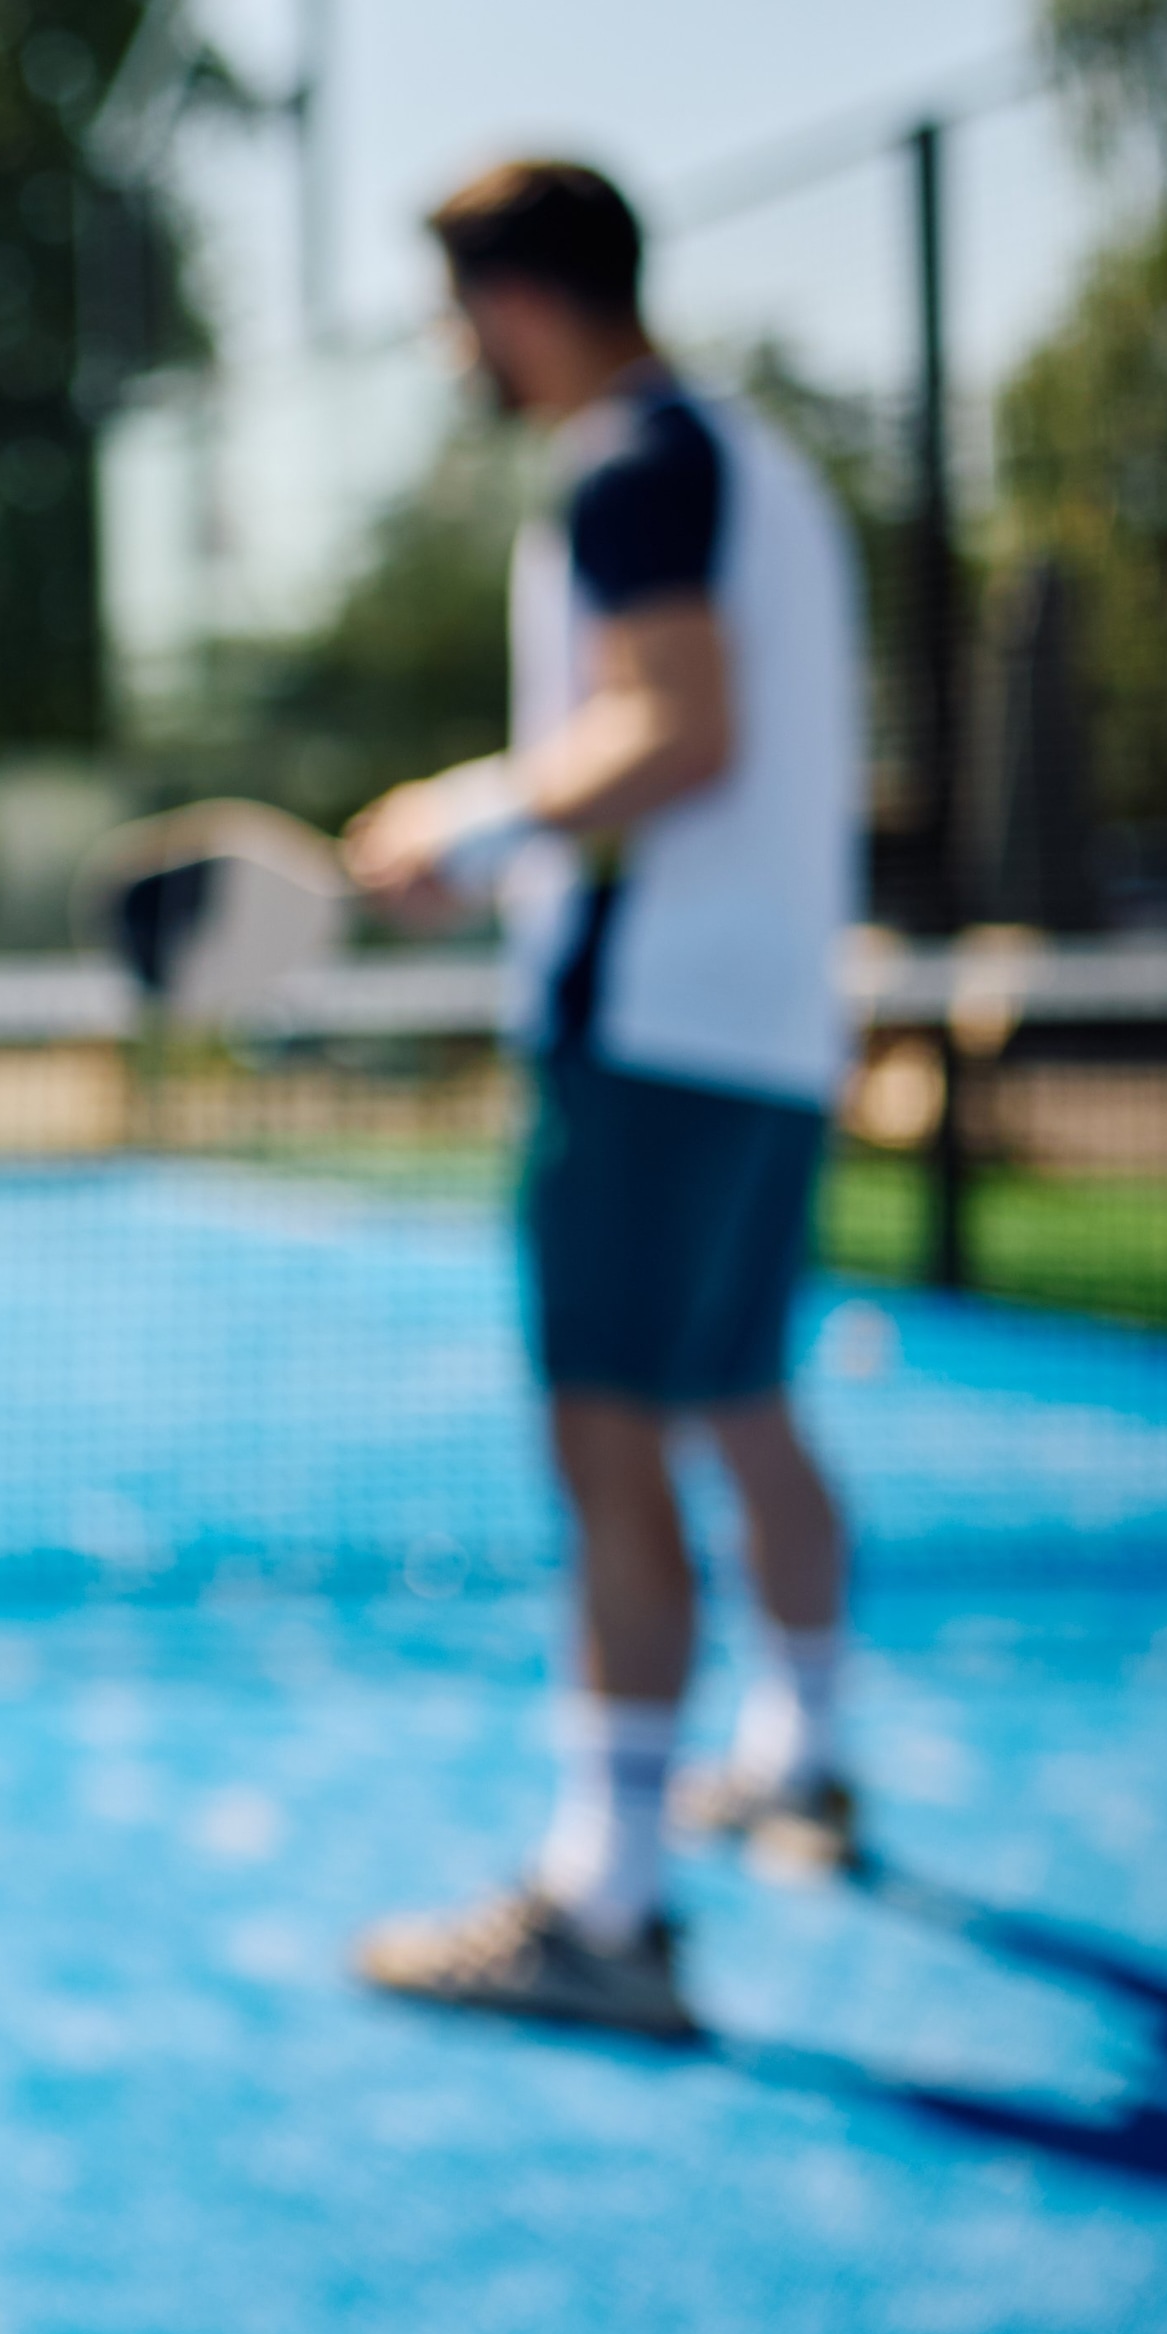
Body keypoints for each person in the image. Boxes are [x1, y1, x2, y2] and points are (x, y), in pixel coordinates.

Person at [341, 158, 865, 2044]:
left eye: (459, 307)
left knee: (610, 1448)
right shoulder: (760, 464)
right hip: (772, 1027)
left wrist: (465, 828)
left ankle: (609, 1903)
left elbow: (676, 725)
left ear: (527, 302)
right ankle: (804, 1752)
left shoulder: (633, 465)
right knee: (744, 1402)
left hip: (647, 1037)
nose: (449, 347)